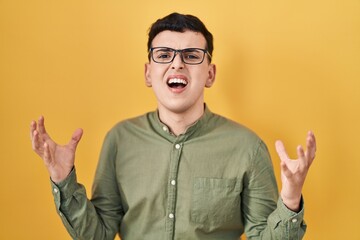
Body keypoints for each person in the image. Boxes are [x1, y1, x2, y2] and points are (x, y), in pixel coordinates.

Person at [30, 12, 316, 240]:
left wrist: (290, 198)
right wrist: (62, 179)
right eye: (164, 55)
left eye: (191, 56)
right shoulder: (119, 140)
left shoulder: (247, 147)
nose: (177, 64)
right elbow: (98, 234)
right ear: (148, 73)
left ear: (210, 74)